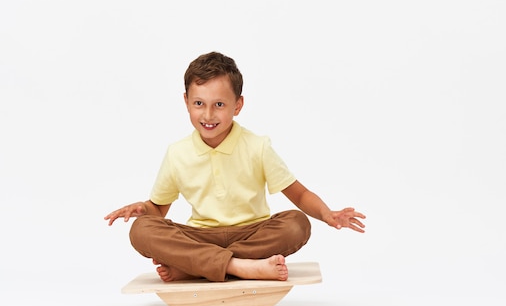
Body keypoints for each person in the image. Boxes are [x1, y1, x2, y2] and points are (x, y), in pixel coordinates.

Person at [104, 52, 366, 283]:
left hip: (253, 233)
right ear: (186, 102)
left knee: (297, 224)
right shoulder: (177, 153)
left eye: (219, 104)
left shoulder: (257, 146)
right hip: (200, 237)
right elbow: (158, 210)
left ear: (237, 105)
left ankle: (197, 268)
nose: (208, 115)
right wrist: (143, 209)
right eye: (199, 103)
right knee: (142, 229)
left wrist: (326, 214)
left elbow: (298, 194)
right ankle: (238, 266)